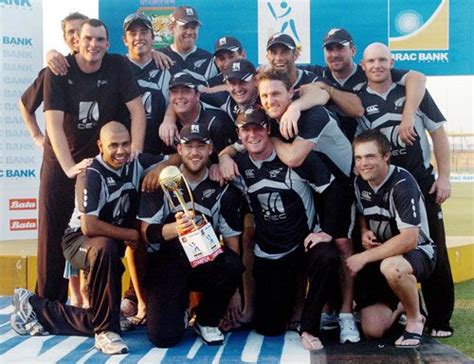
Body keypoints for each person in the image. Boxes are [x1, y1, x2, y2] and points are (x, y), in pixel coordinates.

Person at [10, 122, 166, 355]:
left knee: (114, 252)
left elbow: (176, 159)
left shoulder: (136, 162)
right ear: (100, 146)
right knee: (106, 247)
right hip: (78, 241)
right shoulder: (91, 174)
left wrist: (158, 169)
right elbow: (89, 226)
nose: (121, 151)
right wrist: (132, 234)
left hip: (110, 243)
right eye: (113, 145)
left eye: (125, 144)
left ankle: (36, 308)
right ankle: (105, 332)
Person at [33, 19, 146, 304]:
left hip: (101, 159)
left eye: (99, 39)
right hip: (61, 160)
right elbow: (53, 125)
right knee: (52, 231)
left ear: (108, 43)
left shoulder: (117, 65)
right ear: (76, 41)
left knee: (100, 233)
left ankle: (95, 302)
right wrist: (69, 166)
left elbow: (138, 112)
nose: (93, 45)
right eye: (88, 39)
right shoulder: (58, 70)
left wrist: (137, 154)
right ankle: (48, 304)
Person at [256, 68, 360, 343]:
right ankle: (323, 308)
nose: (270, 100)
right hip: (317, 188)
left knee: (340, 244)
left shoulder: (311, 114)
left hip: (342, 188)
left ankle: (347, 314)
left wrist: (275, 138)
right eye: (265, 95)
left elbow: (294, 157)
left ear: (292, 92)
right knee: (312, 247)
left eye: (276, 93)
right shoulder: (272, 118)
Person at [357, 42, 454, 338]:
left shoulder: (413, 91)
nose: (377, 66)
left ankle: (439, 318)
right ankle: (403, 303)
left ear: (392, 62)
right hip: (382, 188)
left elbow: (437, 133)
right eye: (371, 61)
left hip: (421, 183)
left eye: (383, 60)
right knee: (387, 246)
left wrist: (445, 177)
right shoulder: (360, 99)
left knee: (433, 248)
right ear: (363, 65)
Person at [230, 107, 343, 350]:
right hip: (269, 252)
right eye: (245, 130)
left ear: (268, 129)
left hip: (302, 245)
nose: (252, 134)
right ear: (239, 135)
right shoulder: (237, 164)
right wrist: (221, 159)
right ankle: (286, 308)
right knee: (269, 327)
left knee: (327, 256)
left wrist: (327, 231)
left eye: (258, 128)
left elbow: (334, 191)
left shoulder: (296, 159)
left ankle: (309, 326)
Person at [138, 124, 244, 347]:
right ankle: (178, 309)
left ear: (210, 149)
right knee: (163, 338)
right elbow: (147, 234)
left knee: (232, 264)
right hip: (168, 265)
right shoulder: (163, 181)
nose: (195, 152)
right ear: (179, 149)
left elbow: (233, 246)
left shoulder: (222, 187)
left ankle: (206, 319)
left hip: (203, 262)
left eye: (201, 146)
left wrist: (232, 291)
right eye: (189, 147)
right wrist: (175, 229)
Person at [347, 130, 435, 348]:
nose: (363, 163)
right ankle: (404, 304)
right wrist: (363, 230)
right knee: (373, 331)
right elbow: (361, 212)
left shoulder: (402, 183)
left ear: (386, 156)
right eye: (358, 158)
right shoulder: (360, 183)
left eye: (370, 156)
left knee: (392, 267)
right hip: (383, 254)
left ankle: (416, 320)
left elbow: (409, 240)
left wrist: (364, 257)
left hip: (417, 252)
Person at [299, 27, 426, 143]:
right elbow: (286, 72)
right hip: (330, 150)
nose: (334, 54)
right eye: (329, 49)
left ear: (353, 51)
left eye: (340, 48)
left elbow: (417, 78)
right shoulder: (317, 74)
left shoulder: (369, 71)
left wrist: (408, 117)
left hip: (365, 151)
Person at [168, 71, 237, 153]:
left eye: (185, 91)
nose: (179, 96)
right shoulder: (166, 125)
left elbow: (227, 157)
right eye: (174, 92)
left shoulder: (217, 121)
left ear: (197, 95)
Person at [160, 5, 217, 83]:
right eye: (185, 27)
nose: (189, 32)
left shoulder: (209, 59)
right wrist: (151, 53)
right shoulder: (158, 57)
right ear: (172, 28)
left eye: (193, 27)